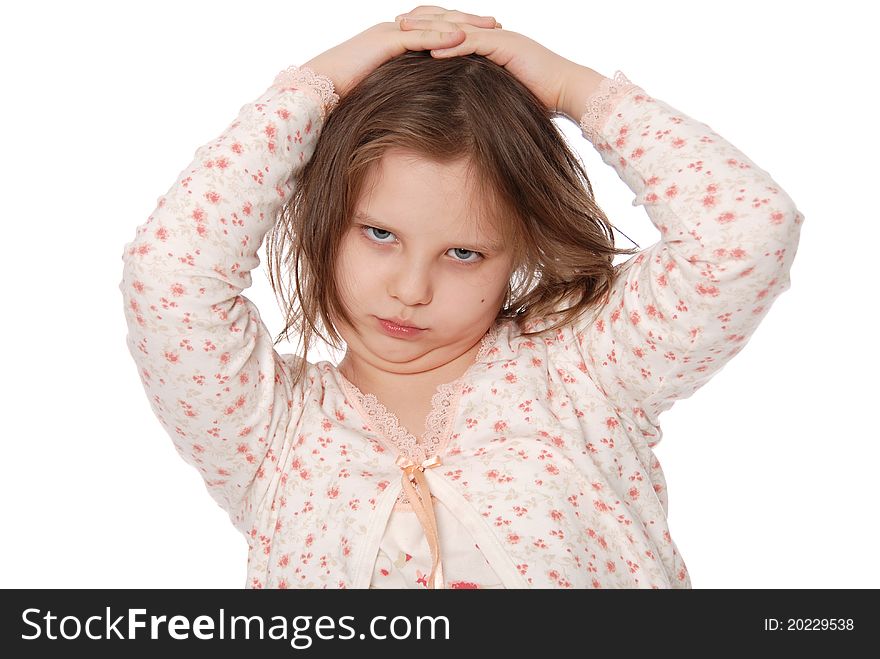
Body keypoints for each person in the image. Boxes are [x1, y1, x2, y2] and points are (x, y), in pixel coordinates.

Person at [119, 6, 804, 589]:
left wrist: (573, 89)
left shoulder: (585, 371)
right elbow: (167, 276)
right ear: (325, 221)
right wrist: (315, 88)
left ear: (520, 253)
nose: (410, 290)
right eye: (380, 233)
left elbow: (746, 229)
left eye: (464, 253)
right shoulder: (270, 435)